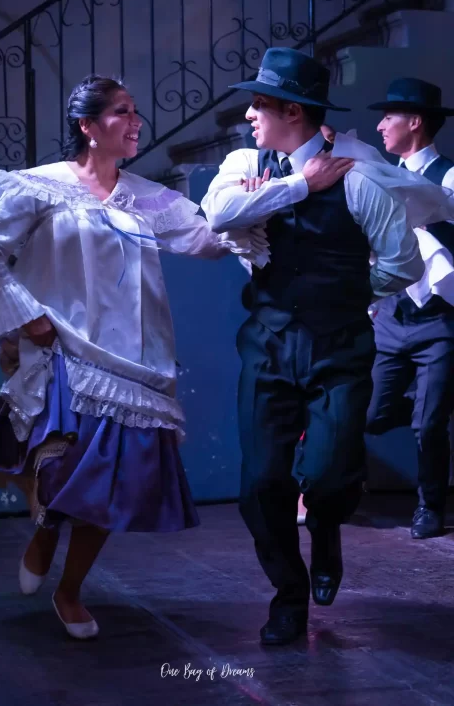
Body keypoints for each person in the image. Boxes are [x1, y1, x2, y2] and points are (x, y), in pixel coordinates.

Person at [0, 74, 259, 640]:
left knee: (113, 484)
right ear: (87, 126)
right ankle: (47, 532)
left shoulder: (147, 196)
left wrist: (253, 197)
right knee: (65, 469)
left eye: (135, 111)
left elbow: (204, 240)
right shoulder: (42, 187)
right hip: (64, 351)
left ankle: (70, 591)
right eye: (122, 112)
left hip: (131, 361)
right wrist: (26, 313)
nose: (135, 122)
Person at [201, 47, 425, 646]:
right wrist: (298, 185)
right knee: (259, 485)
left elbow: (401, 263)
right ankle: (289, 596)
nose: (249, 114)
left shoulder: (360, 179)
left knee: (328, 476)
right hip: (268, 346)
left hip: (340, 346)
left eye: (261, 104)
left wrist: (349, 293)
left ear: (293, 112)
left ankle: (326, 527)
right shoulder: (243, 166)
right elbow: (217, 216)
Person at [366, 78, 454, 539]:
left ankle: (430, 507)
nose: (380, 126)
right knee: (370, 413)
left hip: (439, 317)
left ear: (414, 122)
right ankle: (428, 404)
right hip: (393, 315)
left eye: (388, 117)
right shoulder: (382, 176)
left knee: (429, 425)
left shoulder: (449, 178)